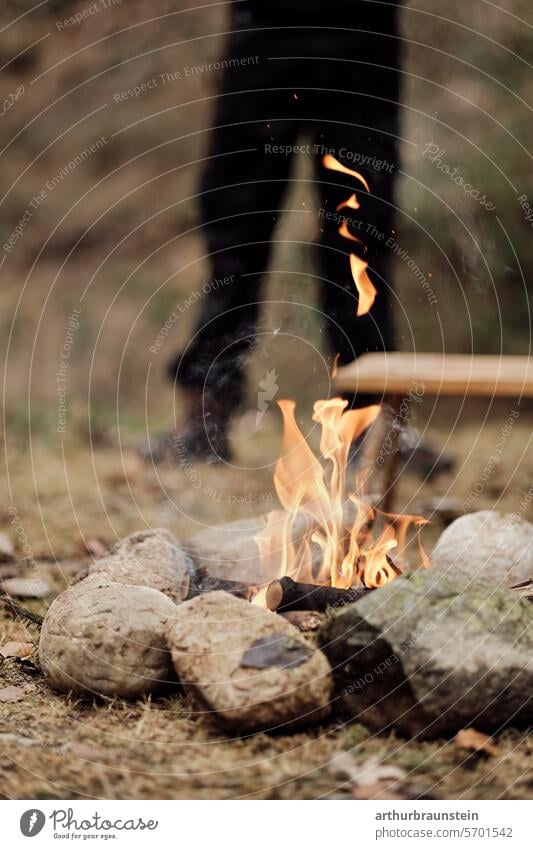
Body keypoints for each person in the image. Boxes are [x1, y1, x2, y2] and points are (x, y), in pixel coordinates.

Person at [155, 0, 405, 464]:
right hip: (265, 26)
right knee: (236, 227)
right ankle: (206, 416)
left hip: (364, 28)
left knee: (362, 232)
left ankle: (371, 421)